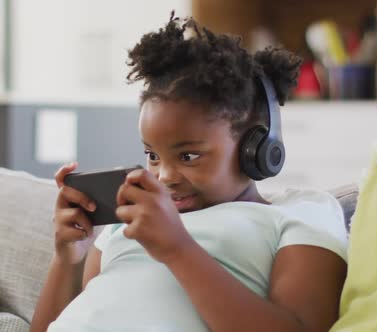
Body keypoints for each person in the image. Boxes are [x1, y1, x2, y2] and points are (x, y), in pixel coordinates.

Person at [31, 13, 348, 332]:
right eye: (152, 155)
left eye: (189, 155)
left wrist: (177, 248)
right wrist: (68, 259)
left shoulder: (301, 213)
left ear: (257, 147)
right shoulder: (126, 224)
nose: (164, 176)